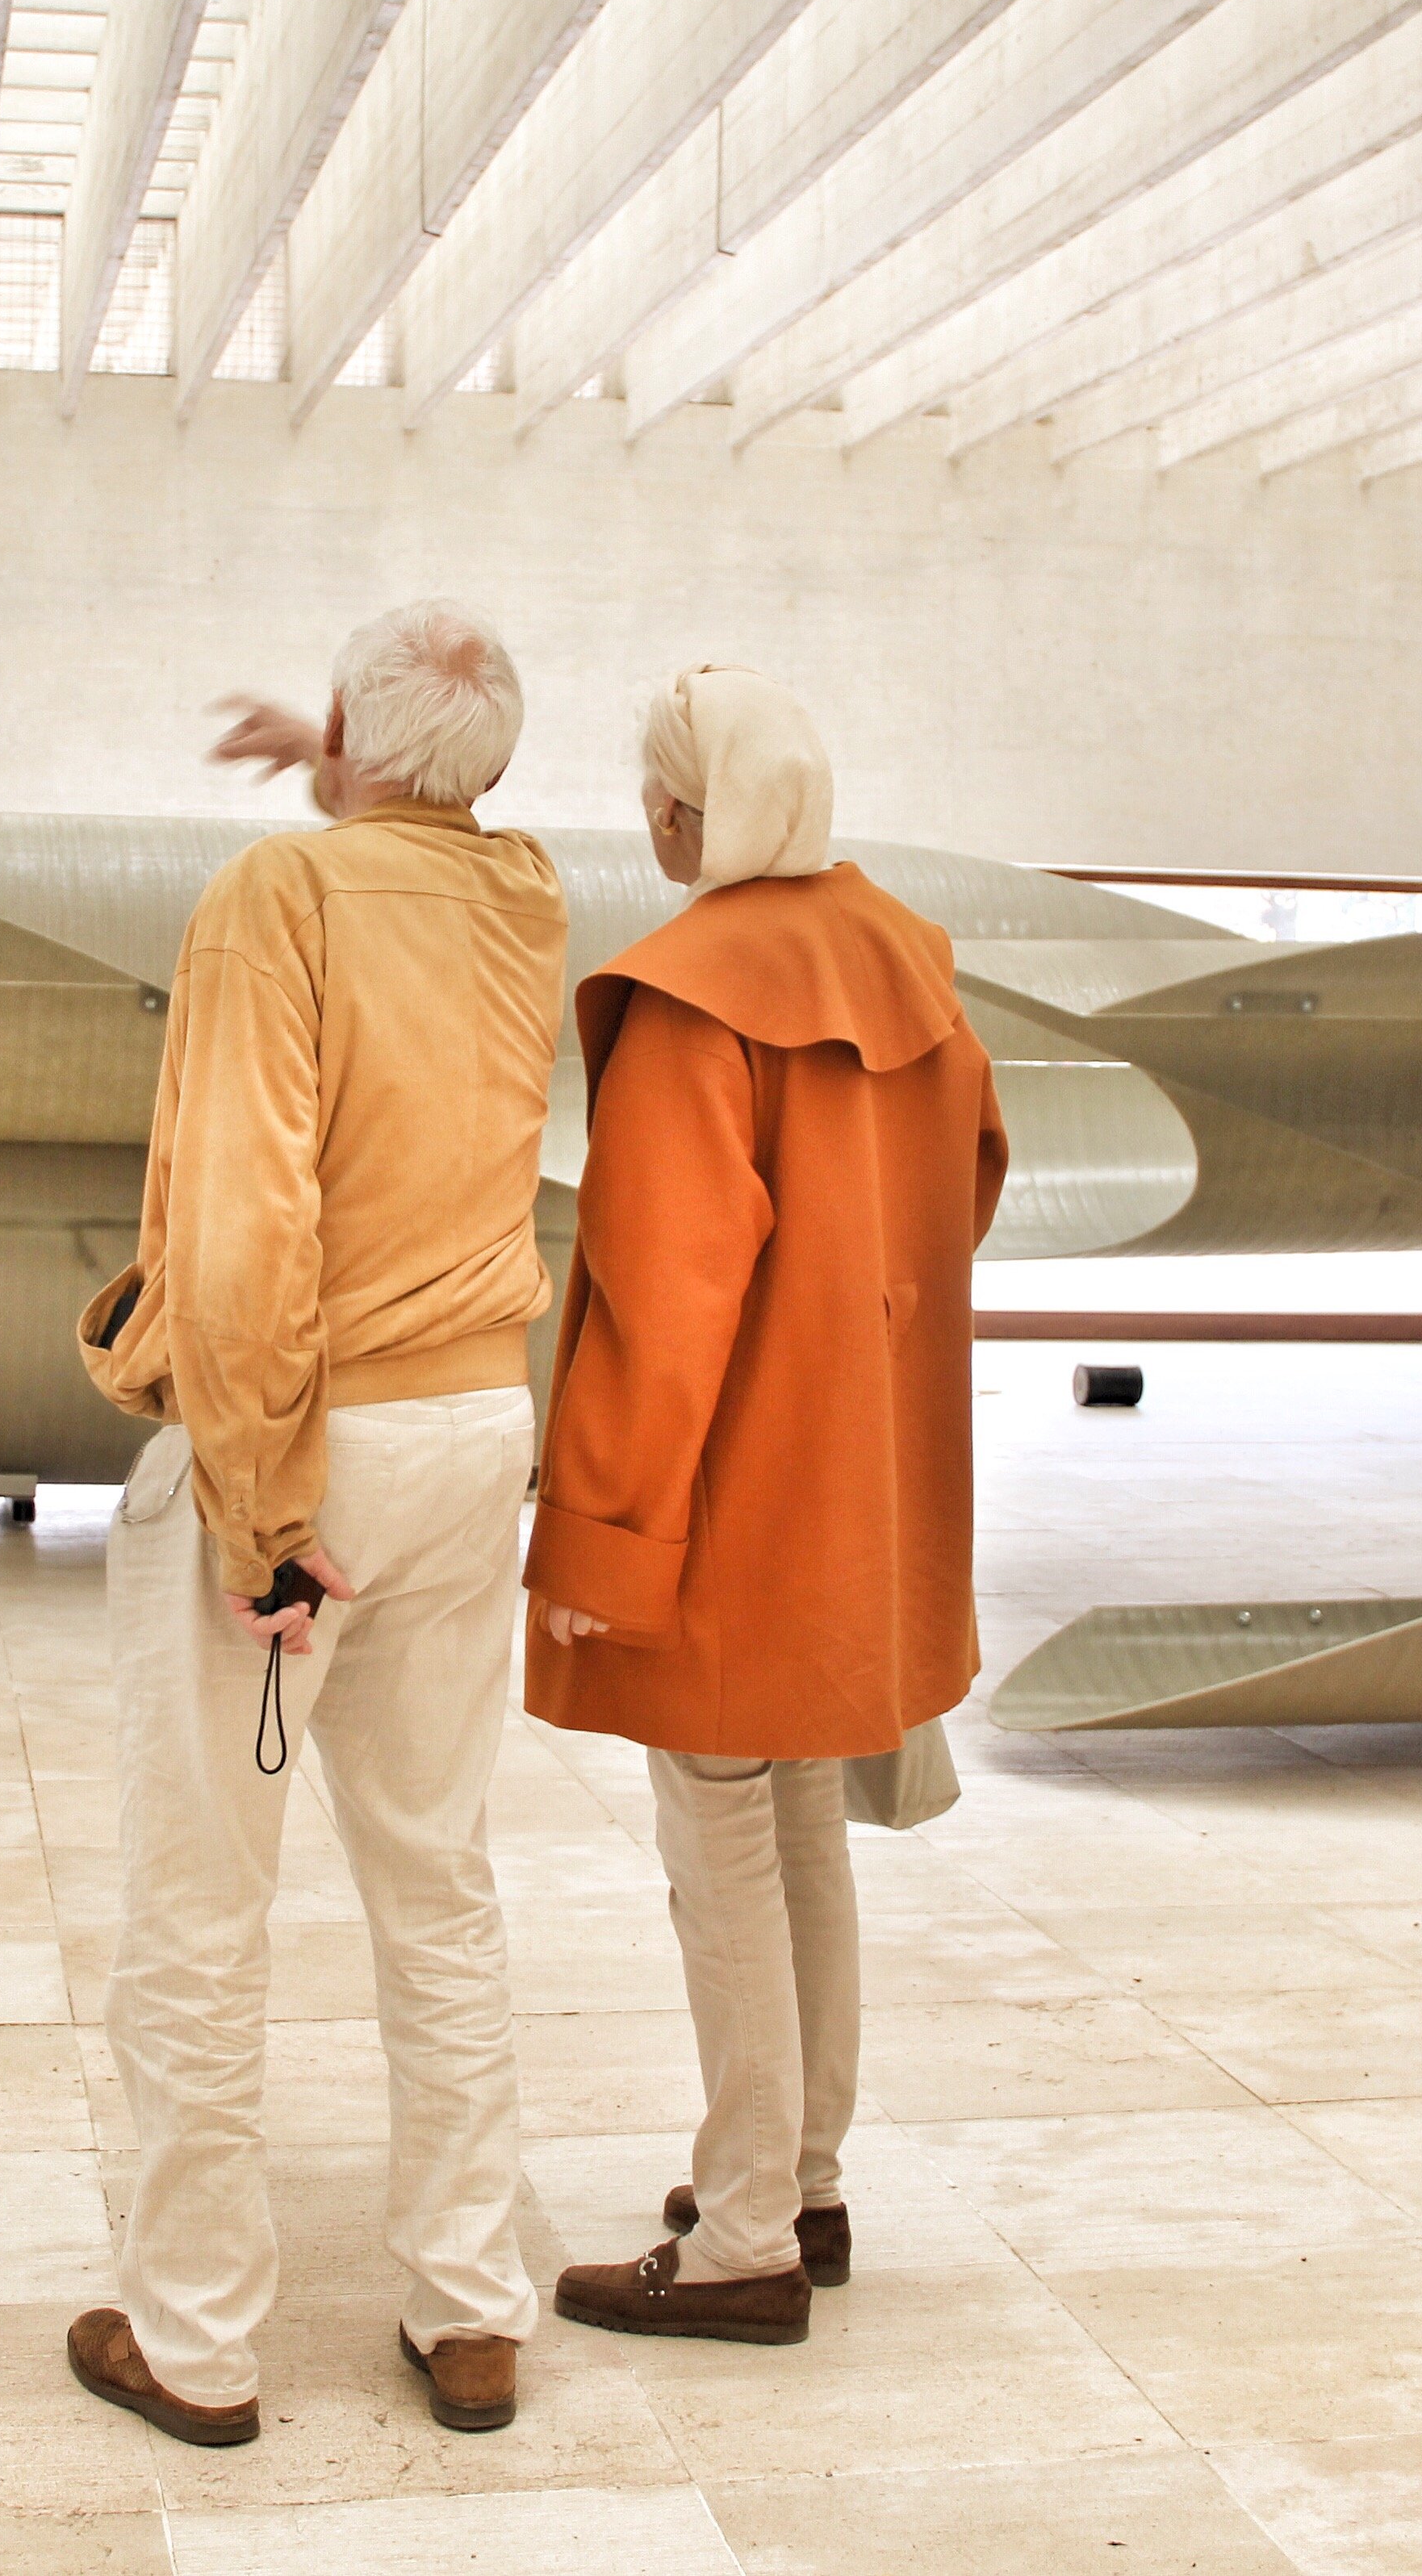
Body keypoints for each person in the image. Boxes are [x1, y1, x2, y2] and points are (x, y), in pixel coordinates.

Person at [66, 599, 566, 2445]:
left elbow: (249, 1224)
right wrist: (358, 751)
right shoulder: (523, 899)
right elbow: (439, 828)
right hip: (471, 1429)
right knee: (437, 1879)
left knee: (202, 1900)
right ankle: (471, 2309)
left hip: (318, 1441)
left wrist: (259, 1508)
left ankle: (191, 2340)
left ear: (352, 744)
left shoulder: (273, 902)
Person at [525, 666, 1007, 2344]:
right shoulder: (910, 966)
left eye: (662, 796)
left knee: (717, 1831)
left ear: (703, 814)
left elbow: (658, 1305)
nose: (650, 823)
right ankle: (799, 2175)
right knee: (798, 1815)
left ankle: (737, 2238)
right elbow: (971, 1193)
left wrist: (595, 1536)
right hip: (861, 1480)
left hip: (727, 1495)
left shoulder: (690, 1000)